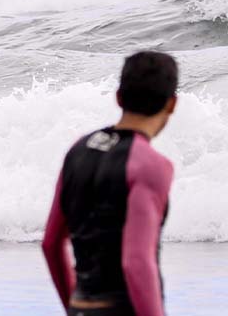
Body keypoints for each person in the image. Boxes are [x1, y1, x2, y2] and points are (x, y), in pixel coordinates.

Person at [42, 51, 177, 316]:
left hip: (80, 306)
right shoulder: (151, 165)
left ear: (119, 97)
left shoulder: (78, 150)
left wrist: (75, 307)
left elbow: (51, 242)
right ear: (172, 104)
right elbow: (136, 261)